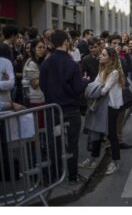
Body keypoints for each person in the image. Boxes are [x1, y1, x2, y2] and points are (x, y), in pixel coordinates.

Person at [40, 29, 89, 185]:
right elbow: (77, 88)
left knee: (55, 143)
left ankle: (56, 175)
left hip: (53, 109)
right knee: (72, 143)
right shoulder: (71, 64)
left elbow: (42, 85)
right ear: (66, 42)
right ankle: (72, 176)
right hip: (70, 109)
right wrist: (84, 82)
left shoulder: (47, 62)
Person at [79, 47, 124, 175]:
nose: (100, 57)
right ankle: (93, 159)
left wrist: (92, 88)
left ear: (110, 58)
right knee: (96, 131)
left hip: (111, 106)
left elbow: (104, 90)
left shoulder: (114, 72)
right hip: (101, 105)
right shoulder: (102, 70)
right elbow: (97, 85)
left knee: (111, 134)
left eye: (104, 55)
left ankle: (115, 163)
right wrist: (95, 87)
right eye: (101, 55)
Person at [22, 39, 46, 108]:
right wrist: (46, 74)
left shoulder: (40, 62)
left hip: (42, 98)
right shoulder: (31, 63)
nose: (42, 50)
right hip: (35, 100)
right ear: (33, 49)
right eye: (39, 47)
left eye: (43, 47)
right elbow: (34, 84)